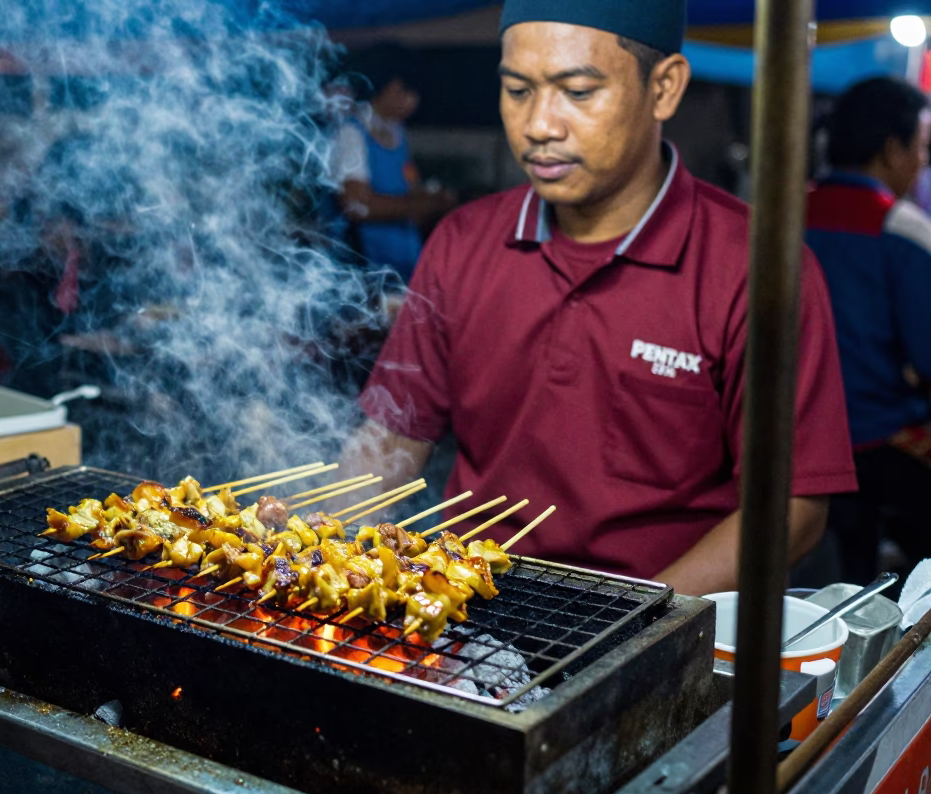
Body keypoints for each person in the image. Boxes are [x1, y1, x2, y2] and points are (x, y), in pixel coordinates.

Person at [339, 0, 857, 596]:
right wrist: (322, 546)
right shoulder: (462, 242)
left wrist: (628, 635)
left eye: (578, 92)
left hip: (662, 627)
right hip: (468, 613)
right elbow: (395, 435)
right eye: (517, 90)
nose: (539, 125)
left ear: (663, 88)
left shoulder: (757, 269)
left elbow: (793, 511)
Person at [805, 76, 931, 587]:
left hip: (798, 439)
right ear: (891, 148)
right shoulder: (900, 228)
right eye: (921, 149)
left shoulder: (780, 215)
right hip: (875, 441)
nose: (923, 163)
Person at [331, 44, 456, 286]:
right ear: (390, 86)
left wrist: (429, 201)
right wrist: (426, 204)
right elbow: (357, 205)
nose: (413, 102)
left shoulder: (396, 133)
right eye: (408, 92)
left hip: (402, 265)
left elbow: (410, 187)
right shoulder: (351, 133)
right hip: (364, 270)